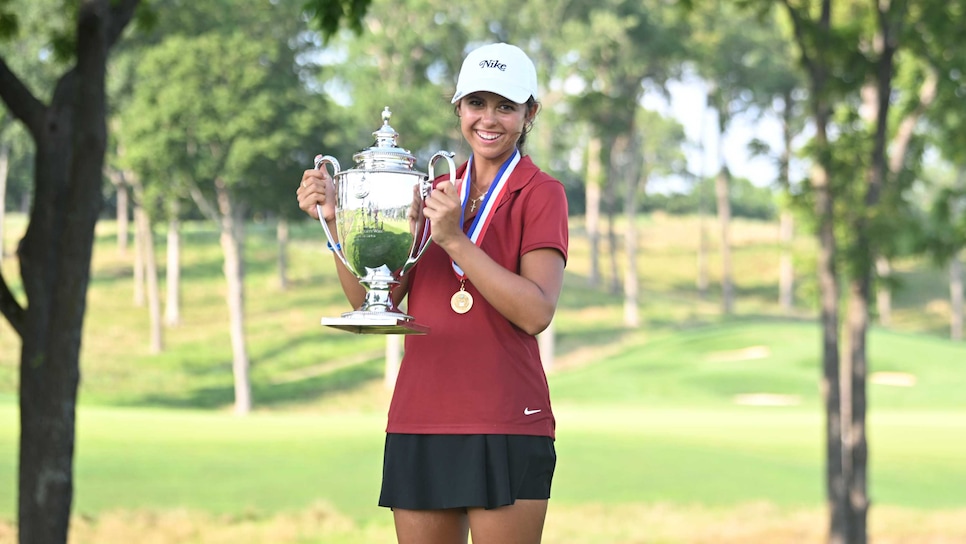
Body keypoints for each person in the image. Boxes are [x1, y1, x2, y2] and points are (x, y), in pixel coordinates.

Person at [296, 42, 569, 544]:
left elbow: (535, 312)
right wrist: (338, 223)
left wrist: (455, 242)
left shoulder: (541, 192)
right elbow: (370, 302)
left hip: (507, 420)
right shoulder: (430, 193)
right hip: (420, 417)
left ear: (529, 114)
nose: (489, 119)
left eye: (506, 107)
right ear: (459, 108)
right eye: (477, 104)